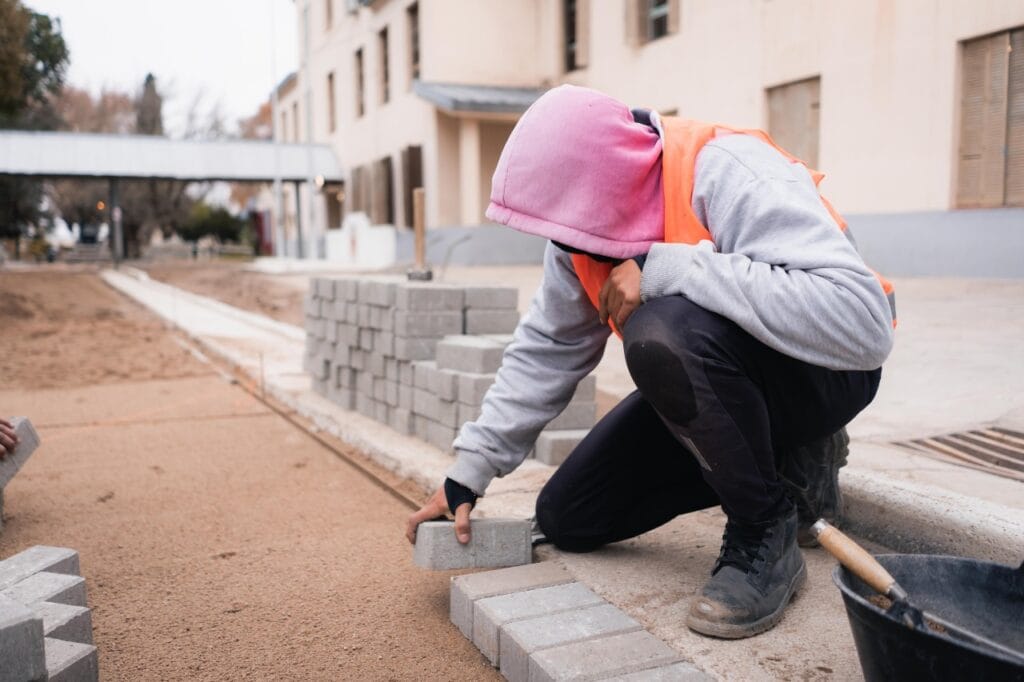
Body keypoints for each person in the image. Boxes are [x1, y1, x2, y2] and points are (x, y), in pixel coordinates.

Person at [405, 85, 894, 639]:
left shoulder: (728, 172)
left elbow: (863, 326)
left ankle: (765, 530)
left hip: (824, 373)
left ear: (609, 183)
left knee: (660, 332)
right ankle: (790, 459)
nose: (563, 246)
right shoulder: (578, 235)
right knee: (572, 517)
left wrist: (667, 268)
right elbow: (548, 348)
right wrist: (468, 474)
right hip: (725, 383)